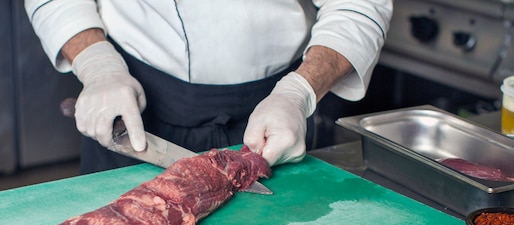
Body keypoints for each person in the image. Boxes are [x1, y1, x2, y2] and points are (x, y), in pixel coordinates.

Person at [25, 0, 393, 174]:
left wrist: (299, 91)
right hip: (131, 106)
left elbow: (359, 5)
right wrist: (96, 64)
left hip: (271, 115)